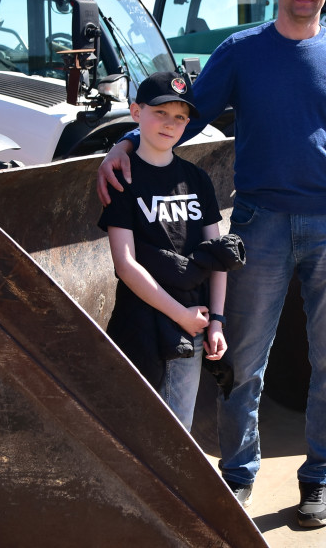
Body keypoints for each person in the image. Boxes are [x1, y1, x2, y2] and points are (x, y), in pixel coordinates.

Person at [97, 0, 326, 528]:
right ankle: (238, 475)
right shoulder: (241, 51)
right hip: (259, 225)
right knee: (244, 359)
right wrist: (125, 141)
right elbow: (185, 113)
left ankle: (319, 477)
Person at [97, 70, 232, 430]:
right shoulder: (122, 177)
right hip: (140, 324)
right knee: (139, 429)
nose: (170, 124)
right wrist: (179, 314)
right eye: (160, 112)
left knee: (178, 430)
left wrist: (215, 321)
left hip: (192, 326)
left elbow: (217, 254)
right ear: (135, 112)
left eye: (180, 117)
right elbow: (125, 265)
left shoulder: (197, 179)